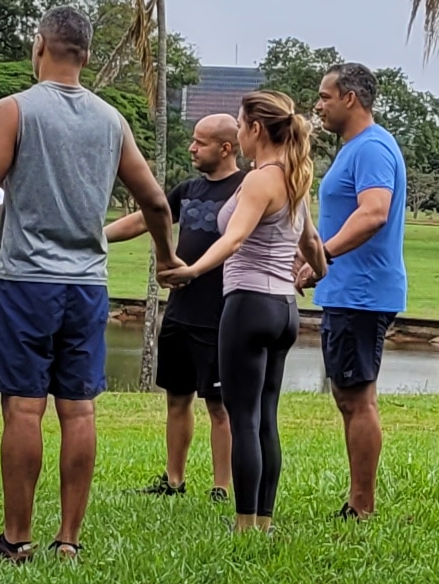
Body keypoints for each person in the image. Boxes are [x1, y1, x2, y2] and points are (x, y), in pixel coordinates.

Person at [0, 6, 177, 562]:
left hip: (26, 283)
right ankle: (69, 541)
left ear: (40, 46)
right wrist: (166, 257)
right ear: (85, 55)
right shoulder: (112, 121)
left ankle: (16, 539)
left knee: (24, 409)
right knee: (79, 410)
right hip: (87, 287)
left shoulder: (14, 110)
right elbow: (155, 201)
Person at [155, 91, 327, 530]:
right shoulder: (294, 176)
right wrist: (317, 272)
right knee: (265, 416)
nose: (238, 130)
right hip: (284, 310)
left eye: (239, 122)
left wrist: (191, 270)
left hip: (248, 305)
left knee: (243, 417)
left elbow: (233, 239)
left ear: (254, 129)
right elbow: (311, 242)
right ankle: (263, 521)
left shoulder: (258, 180)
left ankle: (246, 524)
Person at [106, 113, 246, 500]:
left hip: (218, 315)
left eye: (200, 142)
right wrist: (94, 237)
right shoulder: (188, 190)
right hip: (180, 311)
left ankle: (221, 487)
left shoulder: (245, 189)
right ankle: (173, 481)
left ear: (226, 148)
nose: (192, 148)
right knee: (176, 398)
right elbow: (143, 220)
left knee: (219, 406)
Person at [309, 60, 409, 519]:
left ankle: (362, 505)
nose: (319, 106)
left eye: (325, 97)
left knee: (357, 398)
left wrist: (323, 256)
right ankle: (358, 500)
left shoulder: (371, 148)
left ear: (350, 98)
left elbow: (374, 213)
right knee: (348, 396)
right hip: (346, 291)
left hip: (361, 292)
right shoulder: (355, 148)